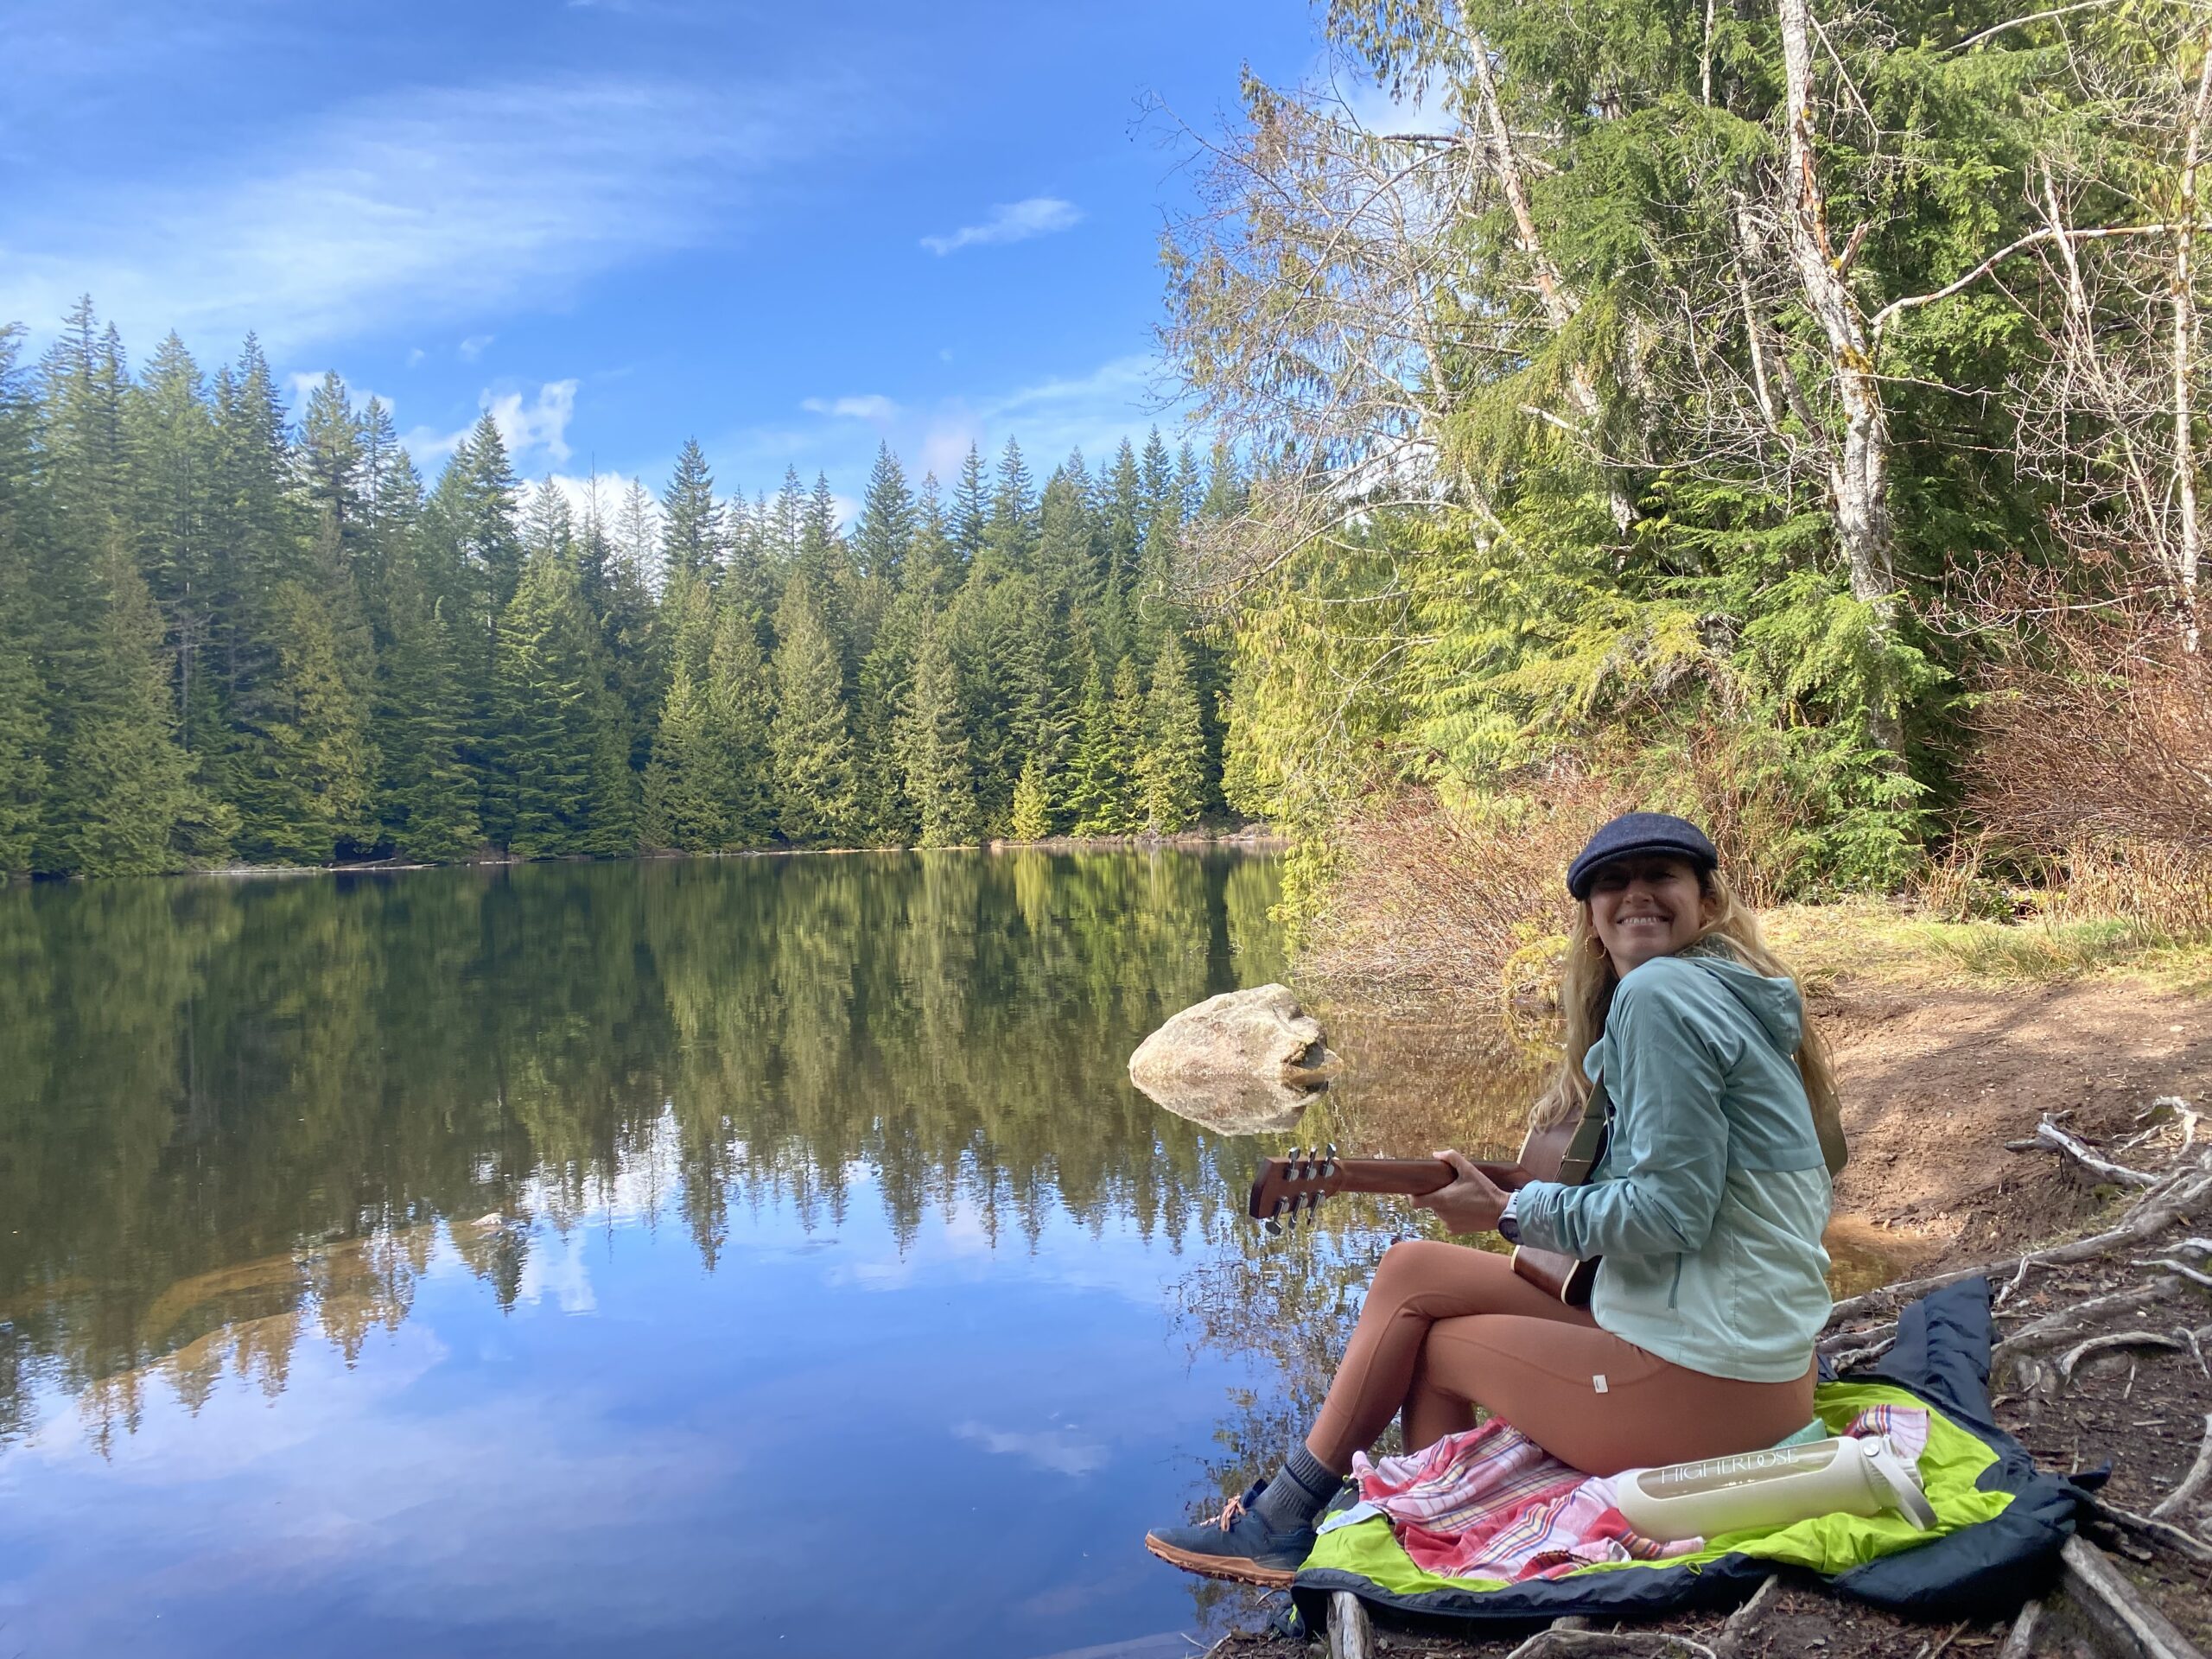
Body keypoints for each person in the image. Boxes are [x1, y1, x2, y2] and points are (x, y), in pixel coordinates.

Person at [1145, 811, 1847, 1587]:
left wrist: (1509, 1212)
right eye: (1613, 882)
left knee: (1437, 1352)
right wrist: (1524, 1199)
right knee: (1412, 1270)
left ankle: (1410, 1541)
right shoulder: (1730, 993)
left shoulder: (1659, 998)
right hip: (1759, 1363)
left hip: (1719, 1388)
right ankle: (1293, 1508)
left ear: (1706, 901)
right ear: (1590, 916)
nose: (1636, 895)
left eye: (1661, 877)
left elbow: (1670, 1214)